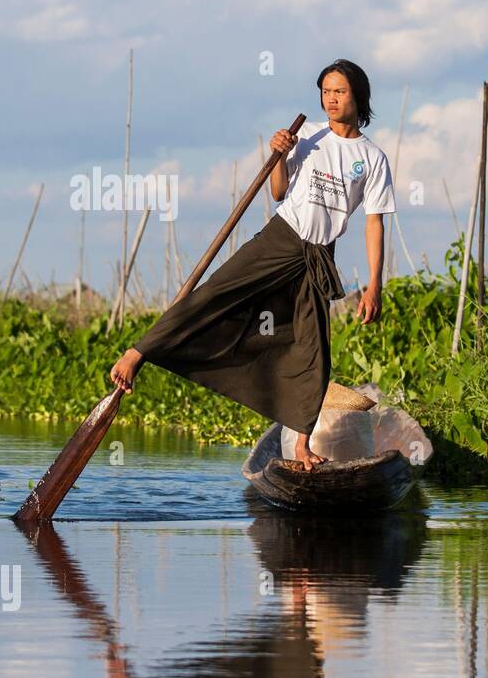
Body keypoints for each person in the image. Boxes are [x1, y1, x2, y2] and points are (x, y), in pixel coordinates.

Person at [108, 59, 396, 470]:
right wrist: (279, 155)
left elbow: (374, 223)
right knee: (215, 294)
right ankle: (138, 353)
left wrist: (374, 284)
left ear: (358, 96)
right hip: (281, 238)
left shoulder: (371, 158)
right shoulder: (308, 136)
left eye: (340, 92)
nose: (331, 100)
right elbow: (278, 192)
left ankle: (302, 445)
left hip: (319, 256)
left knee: (315, 351)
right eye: (326, 91)